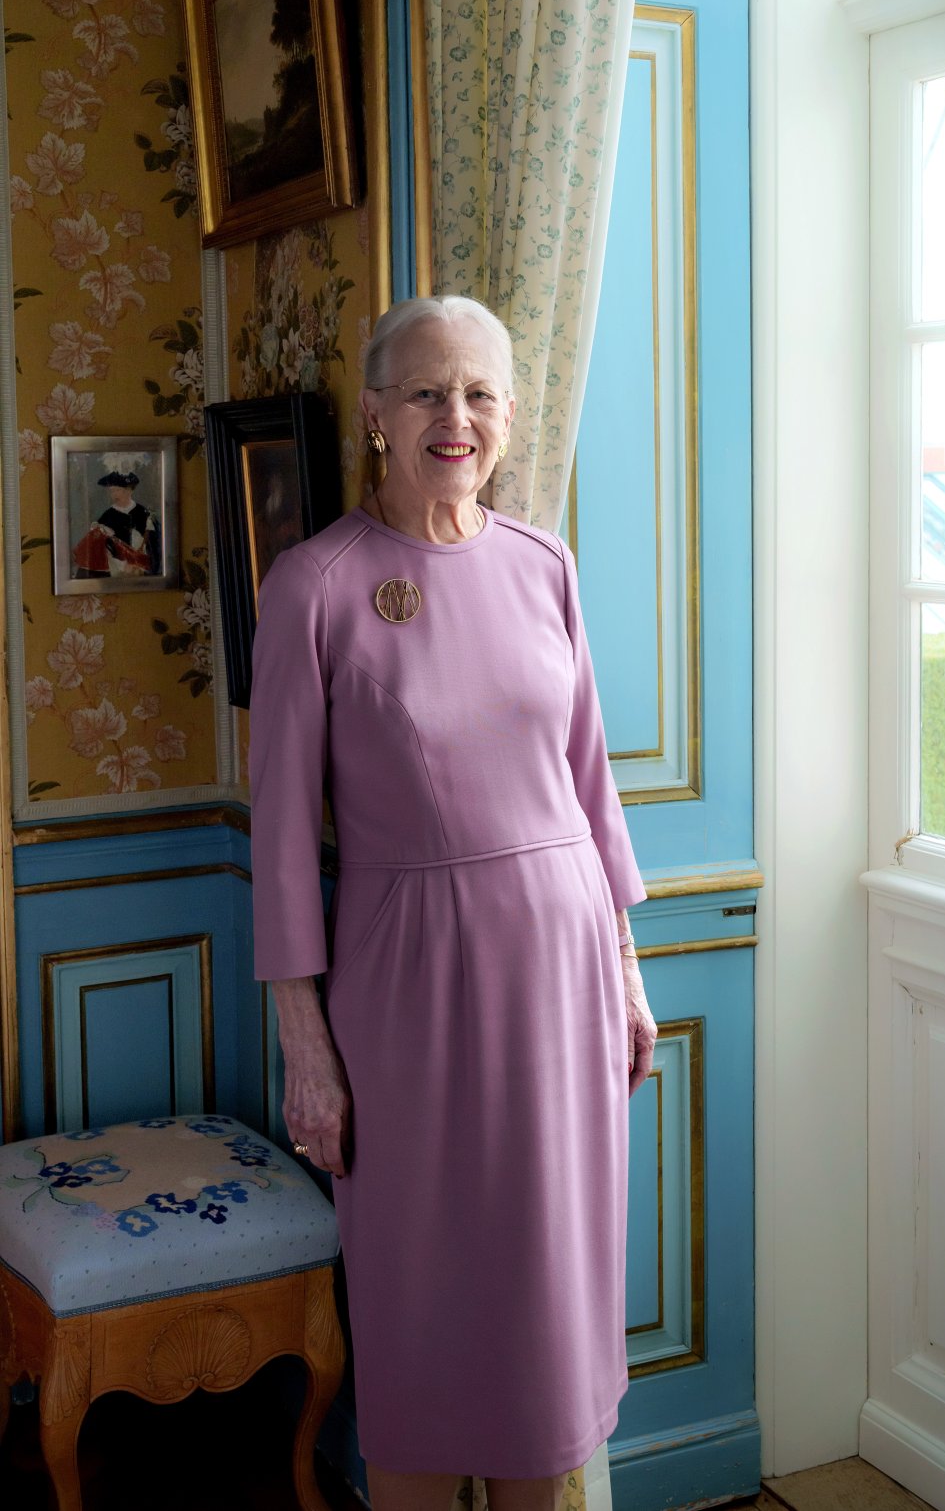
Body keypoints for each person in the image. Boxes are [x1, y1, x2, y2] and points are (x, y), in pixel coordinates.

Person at [248, 293, 658, 1511]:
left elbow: (591, 783)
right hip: (408, 993)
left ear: (511, 417)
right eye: (426, 391)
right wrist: (306, 1050)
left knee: (546, 1317)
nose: (454, 418)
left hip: (565, 979)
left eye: (479, 393)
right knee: (421, 1311)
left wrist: (628, 970)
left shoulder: (545, 566)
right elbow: (277, 843)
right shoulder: (315, 586)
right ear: (374, 414)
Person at [71, 469, 161, 579]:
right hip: (114, 569)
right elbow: (98, 549)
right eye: (112, 491)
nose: (114, 495)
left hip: (140, 566)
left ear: (129, 491)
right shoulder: (107, 516)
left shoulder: (144, 514)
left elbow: (154, 548)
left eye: (118, 490)